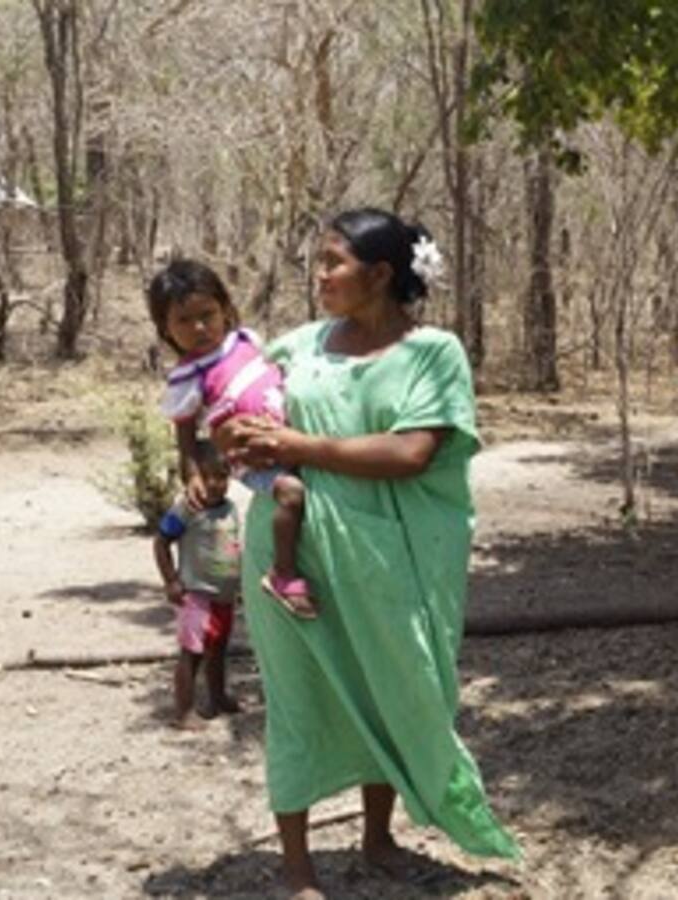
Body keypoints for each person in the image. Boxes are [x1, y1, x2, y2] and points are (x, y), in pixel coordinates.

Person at [214, 207, 518, 898]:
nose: (319, 275)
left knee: (393, 685)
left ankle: (378, 838)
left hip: (388, 558)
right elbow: (232, 404)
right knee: (295, 697)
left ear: (380, 274)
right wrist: (233, 435)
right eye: (318, 262)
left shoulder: (432, 354)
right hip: (289, 557)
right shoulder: (299, 347)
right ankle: (297, 869)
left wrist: (298, 447)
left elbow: (413, 452)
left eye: (332, 263)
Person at [147, 260, 316, 620]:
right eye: (183, 321)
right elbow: (186, 435)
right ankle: (283, 574)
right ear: (165, 329)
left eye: (207, 314)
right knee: (292, 494)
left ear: (225, 308)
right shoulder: (185, 377)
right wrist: (192, 475)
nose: (199, 328)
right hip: (249, 454)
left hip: (291, 434)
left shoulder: (247, 340)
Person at [152, 440, 242, 729]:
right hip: (196, 594)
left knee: (218, 650)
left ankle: (217, 697)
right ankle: (184, 711)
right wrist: (171, 581)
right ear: (193, 477)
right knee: (192, 653)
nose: (216, 484)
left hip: (224, 595)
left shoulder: (230, 509)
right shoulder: (186, 509)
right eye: (207, 476)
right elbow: (161, 542)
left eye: (222, 476)